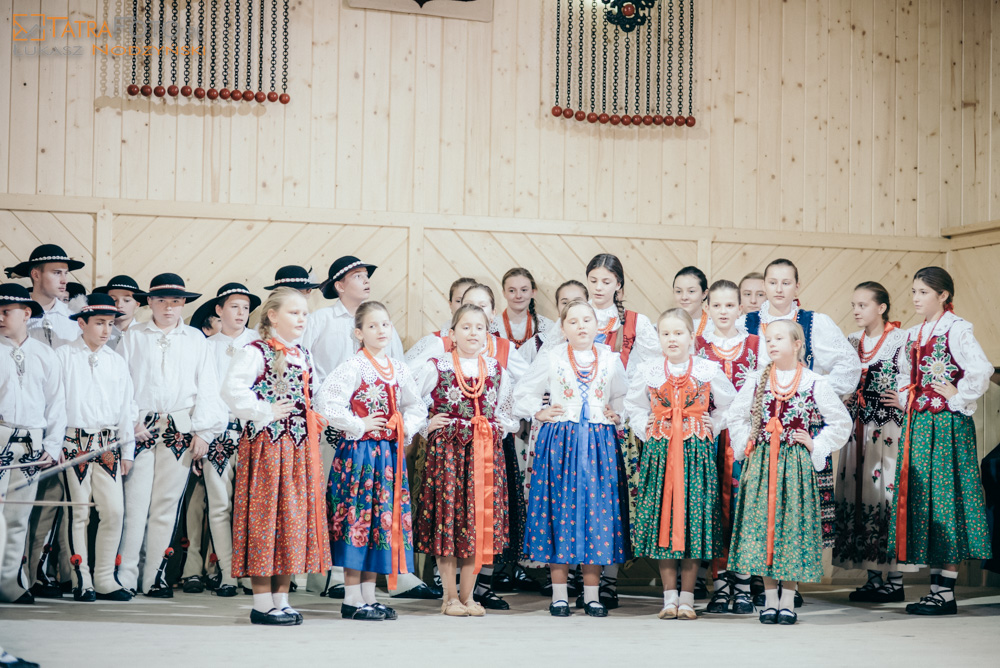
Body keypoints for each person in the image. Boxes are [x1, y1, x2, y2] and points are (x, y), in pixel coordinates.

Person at [737, 258, 861, 570]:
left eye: (786, 282)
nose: (779, 289)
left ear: (797, 286)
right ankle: (756, 575)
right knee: (758, 502)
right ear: (764, 285)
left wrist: (811, 390)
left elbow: (849, 365)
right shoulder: (745, 323)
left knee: (799, 504)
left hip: (800, 427)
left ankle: (792, 573)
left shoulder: (815, 322)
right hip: (758, 427)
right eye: (772, 282)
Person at [221, 287, 333, 625]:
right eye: (294, 313)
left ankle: (281, 600)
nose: (301, 319)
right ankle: (261, 602)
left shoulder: (304, 355)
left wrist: (320, 416)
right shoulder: (255, 351)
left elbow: (315, 395)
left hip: (299, 450)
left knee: (291, 521)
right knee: (265, 519)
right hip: (268, 448)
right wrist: (264, 410)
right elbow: (231, 390)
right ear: (273, 316)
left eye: (304, 314)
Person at [728, 320, 851, 625]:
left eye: (778, 338)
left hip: (795, 467)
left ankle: (788, 599)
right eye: (768, 339)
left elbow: (840, 421)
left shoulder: (813, 382)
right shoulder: (757, 379)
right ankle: (770, 599)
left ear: (797, 344)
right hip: (763, 465)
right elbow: (736, 416)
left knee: (792, 529)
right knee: (764, 528)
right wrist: (747, 443)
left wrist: (815, 443)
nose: (771, 343)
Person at [888, 267, 993, 615]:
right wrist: (907, 397)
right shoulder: (914, 333)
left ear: (943, 295)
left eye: (923, 292)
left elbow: (981, 369)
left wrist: (956, 396)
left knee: (946, 499)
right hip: (920, 425)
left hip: (947, 425)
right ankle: (936, 590)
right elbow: (905, 373)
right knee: (926, 500)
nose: (916, 298)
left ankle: (945, 592)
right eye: (914, 292)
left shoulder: (957, 329)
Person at [517, 299, 629, 618]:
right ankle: (560, 596)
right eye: (573, 321)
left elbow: (623, 396)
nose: (581, 326)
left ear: (597, 325)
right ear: (563, 327)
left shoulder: (609, 358)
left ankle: (592, 596)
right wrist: (539, 411)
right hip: (560, 442)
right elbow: (523, 391)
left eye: (586, 320)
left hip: (598, 443)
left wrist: (617, 414)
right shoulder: (552, 356)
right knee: (560, 511)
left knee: (597, 514)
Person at [316, 301, 426, 621]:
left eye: (385, 325)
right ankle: (352, 598)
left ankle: (368, 596)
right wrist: (358, 424)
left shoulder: (399, 369)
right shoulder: (353, 366)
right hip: (359, 455)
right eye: (373, 326)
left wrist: (404, 426)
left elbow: (416, 406)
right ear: (359, 333)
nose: (381, 331)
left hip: (388, 456)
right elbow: (326, 403)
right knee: (358, 520)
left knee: (380, 522)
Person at [119, 274, 226, 597]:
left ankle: (155, 576)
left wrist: (204, 431)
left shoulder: (195, 339)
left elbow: (208, 386)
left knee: (166, 506)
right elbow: (121, 383)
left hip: (179, 427)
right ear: (149, 302)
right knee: (135, 504)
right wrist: (130, 422)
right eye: (162, 301)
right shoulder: (133, 336)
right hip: (141, 427)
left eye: (176, 302)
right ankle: (126, 575)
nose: (169, 307)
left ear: (183, 305)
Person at [626, 308, 735, 620]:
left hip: (695, 454)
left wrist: (713, 422)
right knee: (664, 517)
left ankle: (687, 598)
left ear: (691, 337)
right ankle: (669, 597)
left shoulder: (707, 369)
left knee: (693, 520)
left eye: (678, 333)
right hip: (660, 453)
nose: (672, 339)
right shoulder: (649, 370)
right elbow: (632, 405)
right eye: (666, 333)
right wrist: (644, 424)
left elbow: (731, 403)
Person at [413, 304, 517, 616]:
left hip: (484, 455)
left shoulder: (496, 370)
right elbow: (412, 402)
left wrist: (498, 427)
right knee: (449, 520)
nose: (473, 333)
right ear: (453, 333)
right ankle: (449, 597)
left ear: (487, 335)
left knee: (477, 522)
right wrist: (426, 424)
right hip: (448, 454)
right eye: (466, 327)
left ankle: (469, 596)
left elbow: (507, 411)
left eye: (479, 328)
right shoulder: (437, 367)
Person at [832, 282, 909, 603]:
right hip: (856, 429)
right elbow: (840, 379)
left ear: (881, 307)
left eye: (862, 305)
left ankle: (895, 579)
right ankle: (873, 577)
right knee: (860, 494)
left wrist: (902, 398)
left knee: (886, 495)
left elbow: (911, 378)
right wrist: (843, 397)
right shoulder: (852, 341)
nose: (856, 311)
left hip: (887, 429)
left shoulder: (901, 340)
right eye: (854, 305)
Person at [58, 293, 135, 602]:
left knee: (114, 511)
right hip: (73, 442)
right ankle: (82, 579)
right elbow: (54, 405)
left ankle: (105, 578)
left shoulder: (116, 362)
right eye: (100, 323)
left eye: (111, 324)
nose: (106, 330)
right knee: (78, 513)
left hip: (107, 444)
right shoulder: (63, 356)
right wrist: (54, 444)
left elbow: (126, 408)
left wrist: (127, 451)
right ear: (82, 323)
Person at [695, 279, 759, 614]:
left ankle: (745, 586)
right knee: (714, 509)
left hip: (745, 439)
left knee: (744, 508)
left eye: (730, 305)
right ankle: (719, 586)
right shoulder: (697, 347)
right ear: (707, 308)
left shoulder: (756, 345)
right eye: (717, 305)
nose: (723, 311)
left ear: (740, 308)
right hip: (710, 440)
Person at [194, 283, 262, 598]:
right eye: (234, 306)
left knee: (250, 506)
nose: (241, 313)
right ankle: (227, 571)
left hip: (253, 433)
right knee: (219, 505)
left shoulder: (260, 345)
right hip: (217, 434)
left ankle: (250, 572)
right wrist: (202, 434)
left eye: (246, 308)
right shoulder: (205, 346)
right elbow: (201, 394)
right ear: (219, 310)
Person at [0, 284, 65, 604]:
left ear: (26, 314)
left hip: (31, 442)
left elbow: (56, 404)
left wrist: (52, 445)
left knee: (17, 517)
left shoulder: (45, 354)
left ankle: (9, 582)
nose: (0, 317)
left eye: (5, 312)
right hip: (0, 435)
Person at [493, 268, 553, 349]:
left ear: (533, 292)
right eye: (512, 291)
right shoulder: (491, 327)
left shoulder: (547, 327)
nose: (518, 296)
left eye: (524, 290)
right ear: (504, 293)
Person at [93, 275, 145, 353]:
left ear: (137, 304)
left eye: (127, 300)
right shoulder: (96, 334)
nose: (119, 305)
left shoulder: (144, 334)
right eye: (114, 300)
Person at [672, 266, 713, 338]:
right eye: (678, 291)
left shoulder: (714, 327)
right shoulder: (663, 327)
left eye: (691, 291)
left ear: (704, 294)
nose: (684, 297)